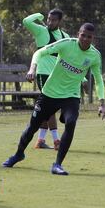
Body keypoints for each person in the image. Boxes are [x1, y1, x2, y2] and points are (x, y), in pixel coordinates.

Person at [2, 23, 105, 175]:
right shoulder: (66, 44)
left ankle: (57, 164)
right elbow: (39, 53)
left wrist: (102, 103)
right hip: (50, 93)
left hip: (71, 96)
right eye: (83, 35)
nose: (85, 39)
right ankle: (18, 154)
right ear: (78, 34)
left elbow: (98, 80)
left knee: (71, 122)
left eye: (89, 37)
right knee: (32, 127)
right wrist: (32, 68)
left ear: (93, 38)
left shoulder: (94, 56)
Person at [22, 9, 69, 150]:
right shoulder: (41, 31)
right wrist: (39, 15)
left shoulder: (64, 36)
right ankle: (56, 141)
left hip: (57, 76)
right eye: (48, 19)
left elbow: (68, 59)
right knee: (50, 108)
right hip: (43, 74)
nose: (49, 22)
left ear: (60, 21)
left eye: (53, 20)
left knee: (46, 109)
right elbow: (26, 21)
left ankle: (41, 140)